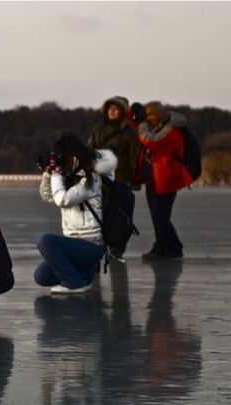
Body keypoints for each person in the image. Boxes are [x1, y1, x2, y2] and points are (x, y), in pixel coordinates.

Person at [34, 133, 116, 294]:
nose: (59, 160)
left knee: (44, 240)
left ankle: (75, 282)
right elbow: (48, 196)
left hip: (90, 245)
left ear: (71, 155)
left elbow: (62, 200)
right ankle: (85, 274)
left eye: (60, 157)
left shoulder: (91, 178)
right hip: (75, 244)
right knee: (41, 277)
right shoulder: (72, 175)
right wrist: (48, 173)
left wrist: (56, 174)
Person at [131, 101, 194, 260]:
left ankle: (163, 246)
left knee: (160, 215)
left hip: (166, 178)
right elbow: (139, 126)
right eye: (147, 115)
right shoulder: (158, 126)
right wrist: (132, 112)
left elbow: (153, 141)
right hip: (155, 177)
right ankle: (174, 246)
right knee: (158, 214)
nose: (148, 118)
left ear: (162, 114)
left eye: (151, 114)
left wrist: (142, 123)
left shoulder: (171, 131)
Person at [86, 96, 141, 185]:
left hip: (121, 180)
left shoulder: (131, 132)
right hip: (99, 178)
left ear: (123, 112)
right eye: (110, 108)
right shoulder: (97, 130)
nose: (112, 111)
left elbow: (135, 159)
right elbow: (88, 153)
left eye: (116, 109)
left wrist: (136, 183)